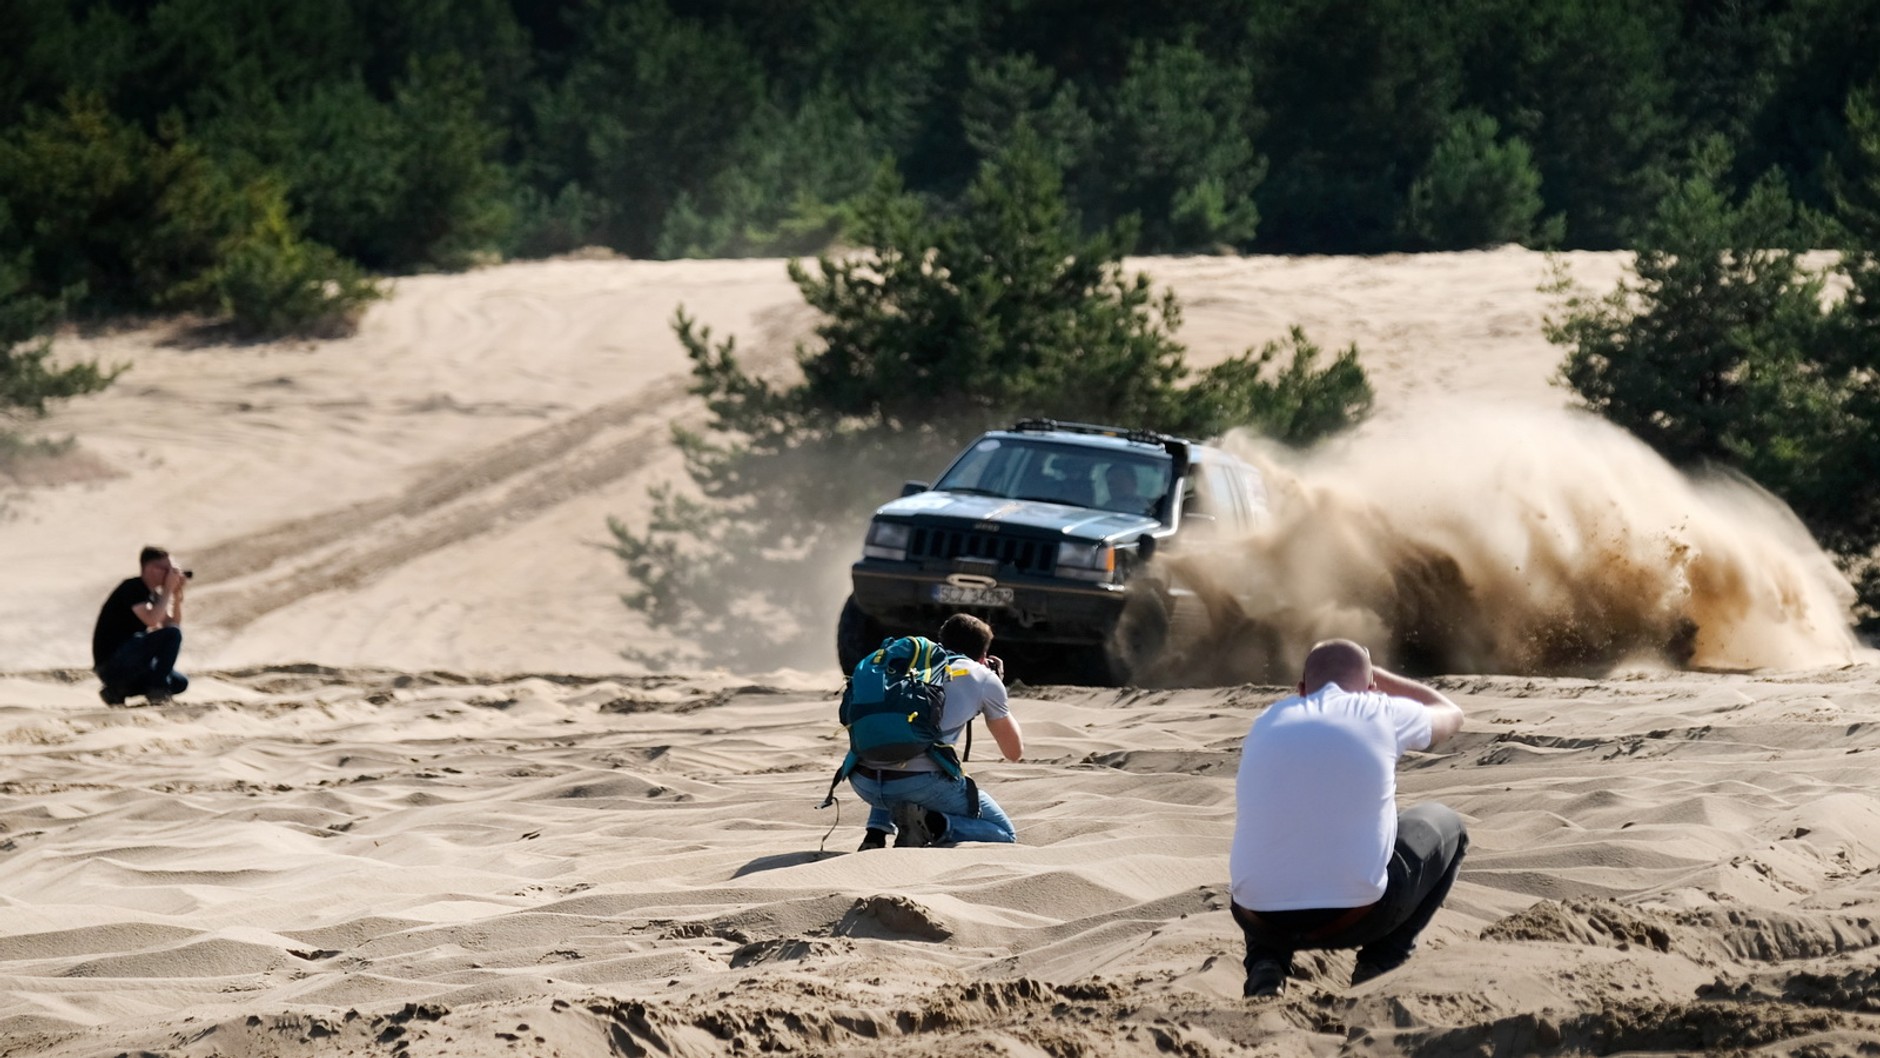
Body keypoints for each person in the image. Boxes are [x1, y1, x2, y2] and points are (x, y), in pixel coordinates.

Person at [1228, 638, 1467, 996]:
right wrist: (1378, 679)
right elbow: (1451, 713)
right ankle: (1380, 963)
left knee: (1278, 830)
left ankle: (1266, 964)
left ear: (1301, 689)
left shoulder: (1266, 721)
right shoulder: (1380, 711)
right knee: (1448, 825)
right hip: (1357, 916)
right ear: (1372, 688)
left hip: (1259, 919)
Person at [851, 614, 1024, 850]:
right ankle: (933, 825)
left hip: (863, 782)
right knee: (1004, 832)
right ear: (984, 654)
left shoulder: (908, 667)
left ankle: (876, 833)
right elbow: (1013, 752)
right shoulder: (983, 677)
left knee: (895, 736)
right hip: (918, 786)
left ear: (941, 641)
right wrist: (994, 686)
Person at [92, 546, 191, 706]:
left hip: (130, 661)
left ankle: (117, 691)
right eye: (167, 570)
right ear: (151, 569)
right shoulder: (132, 587)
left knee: (179, 682)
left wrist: (176, 595)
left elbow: (171, 624)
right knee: (171, 635)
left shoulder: (152, 594)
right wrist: (167, 590)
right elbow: (152, 621)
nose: (170, 575)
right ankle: (157, 690)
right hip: (112, 662)